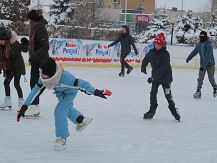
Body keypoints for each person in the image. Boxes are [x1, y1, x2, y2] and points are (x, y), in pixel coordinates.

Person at [17, 57, 112, 150]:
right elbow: (35, 90)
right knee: (66, 109)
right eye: (42, 74)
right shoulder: (43, 77)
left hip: (70, 93)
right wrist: (25, 106)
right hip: (60, 94)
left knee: (59, 111)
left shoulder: (66, 78)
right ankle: (82, 120)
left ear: (52, 74)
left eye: (44, 75)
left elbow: (83, 85)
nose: (42, 77)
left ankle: (62, 137)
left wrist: (96, 91)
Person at [141, 33, 181, 121]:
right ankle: (152, 111)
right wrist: (143, 67)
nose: (157, 46)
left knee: (168, 95)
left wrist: (153, 77)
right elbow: (146, 59)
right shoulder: (151, 52)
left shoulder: (166, 54)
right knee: (153, 94)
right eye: (155, 44)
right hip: (155, 77)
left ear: (162, 44)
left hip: (166, 78)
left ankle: (174, 111)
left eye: (158, 44)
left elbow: (164, 67)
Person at [27, 9, 50, 116]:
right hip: (36, 61)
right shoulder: (35, 28)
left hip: (42, 61)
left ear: (33, 20)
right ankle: (34, 106)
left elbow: (45, 47)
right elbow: (36, 44)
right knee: (34, 83)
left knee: (39, 84)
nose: (29, 22)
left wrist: (34, 56)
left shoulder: (40, 29)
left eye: (30, 20)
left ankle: (35, 106)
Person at [0, 27, 26, 109]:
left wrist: (25, 43)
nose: (0, 42)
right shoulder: (2, 46)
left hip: (17, 67)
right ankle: (8, 102)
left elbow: (24, 49)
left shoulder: (14, 44)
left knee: (16, 84)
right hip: (9, 68)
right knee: (6, 83)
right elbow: (2, 58)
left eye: (1, 40)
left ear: (5, 39)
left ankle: (21, 103)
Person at [186, 31, 217, 99]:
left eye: (203, 36)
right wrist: (188, 58)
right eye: (200, 36)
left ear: (205, 37)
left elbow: (208, 57)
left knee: (211, 79)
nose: (201, 38)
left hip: (210, 65)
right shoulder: (199, 44)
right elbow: (194, 52)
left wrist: (203, 66)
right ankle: (198, 92)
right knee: (200, 78)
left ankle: (215, 88)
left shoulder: (209, 45)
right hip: (203, 65)